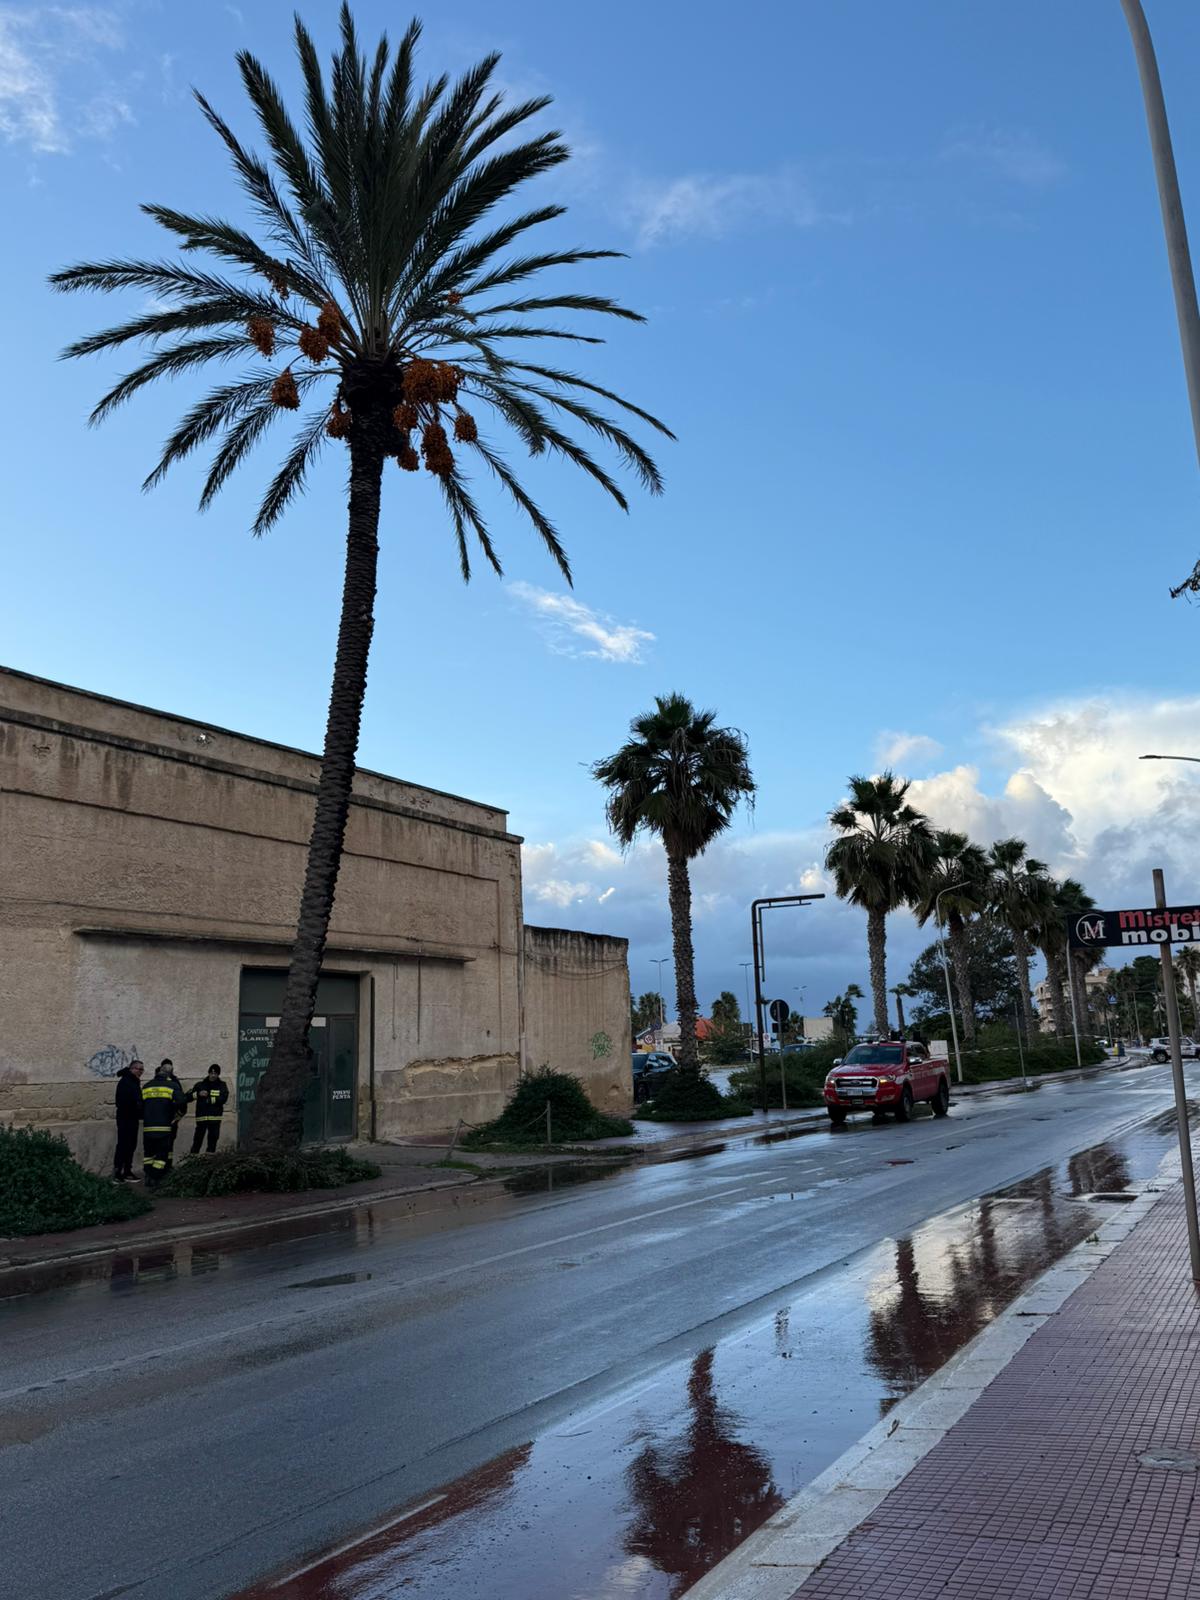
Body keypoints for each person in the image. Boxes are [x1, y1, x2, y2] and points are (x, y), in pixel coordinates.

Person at [142, 1062, 186, 1189]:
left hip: (148, 1127)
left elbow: (139, 1105)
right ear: (170, 1074)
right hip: (164, 1128)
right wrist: (178, 1115)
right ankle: (155, 1177)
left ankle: (148, 1176)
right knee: (161, 1155)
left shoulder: (146, 1086)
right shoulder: (172, 1086)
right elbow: (182, 1101)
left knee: (148, 1154)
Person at [112, 1059, 144, 1181]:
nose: (141, 1072)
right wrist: (137, 1106)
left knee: (131, 1145)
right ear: (132, 1069)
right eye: (139, 1069)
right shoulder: (126, 1082)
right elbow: (125, 1101)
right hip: (126, 1118)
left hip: (132, 1118)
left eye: (142, 1070)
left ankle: (127, 1171)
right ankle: (118, 1172)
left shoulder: (133, 1082)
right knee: (124, 1145)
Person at [188, 1064, 229, 1154]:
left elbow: (224, 1097)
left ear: (218, 1074)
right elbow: (188, 1097)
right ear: (209, 1073)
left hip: (215, 1119)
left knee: (212, 1143)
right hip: (201, 1118)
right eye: (211, 1073)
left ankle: (208, 1162)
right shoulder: (200, 1085)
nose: (213, 1075)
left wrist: (210, 1100)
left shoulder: (222, 1085)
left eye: (216, 1073)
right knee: (197, 1141)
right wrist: (198, 1094)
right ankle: (192, 1161)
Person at [160, 1058, 185, 1152]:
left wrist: (178, 1115)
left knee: (169, 1142)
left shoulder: (175, 1082)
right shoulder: (158, 1081)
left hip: (171, 1118)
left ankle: (167, 1164)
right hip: (162, 1118)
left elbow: (182, 1101)